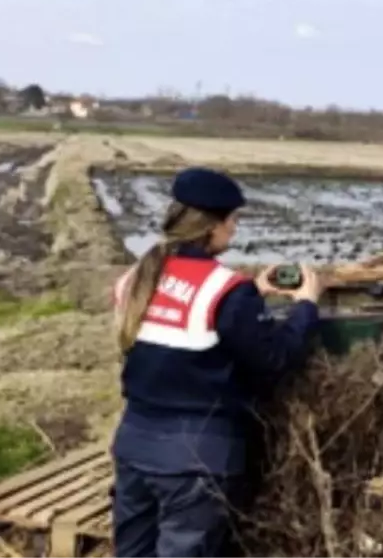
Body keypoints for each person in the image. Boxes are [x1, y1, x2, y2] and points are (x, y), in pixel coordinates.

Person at [110, 166, 324, 558]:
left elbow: (175, 334)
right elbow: (274, 359)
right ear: (212, 226)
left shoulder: (135, 278)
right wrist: (306, 308)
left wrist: (252, 294)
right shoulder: (225, 290)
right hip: (195, 460)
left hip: (134, 446)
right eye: (233, 220)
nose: (235, 229)